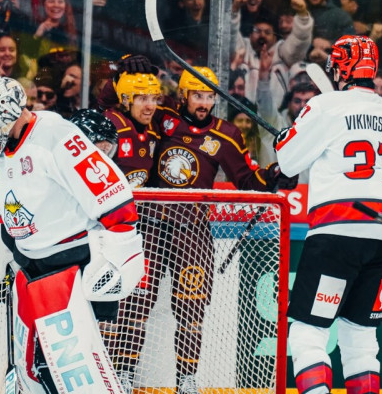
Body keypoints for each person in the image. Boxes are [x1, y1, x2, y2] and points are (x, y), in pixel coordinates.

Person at [274, 35, 382, 394]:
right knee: (361, 337)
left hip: (335, 235)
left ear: (339, 69)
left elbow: (288, 161)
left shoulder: (325, 107)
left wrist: (284, 138)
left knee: (309, 330)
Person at [113, 65, 297, 393]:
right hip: (150, 227)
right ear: (183, 95)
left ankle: (186, 380)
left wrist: (275, 173)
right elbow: (127, 108)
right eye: (198, 95)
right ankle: (123, 375)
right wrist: (127, 68)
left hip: (193, 229)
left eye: (210, 96)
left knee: (191, 309)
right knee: (136, 304)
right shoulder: (162, 116)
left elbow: (245, 180)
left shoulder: (227, 134)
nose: (204, 102)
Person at [0, 74, 144, 393]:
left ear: (7, 108)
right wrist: (0, 243)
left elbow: (108, 189)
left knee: (72, 371)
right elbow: (9, 204)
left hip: (69, 268)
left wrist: (121, 248)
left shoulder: (53, 133)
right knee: (29, 369)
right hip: (28, 270)